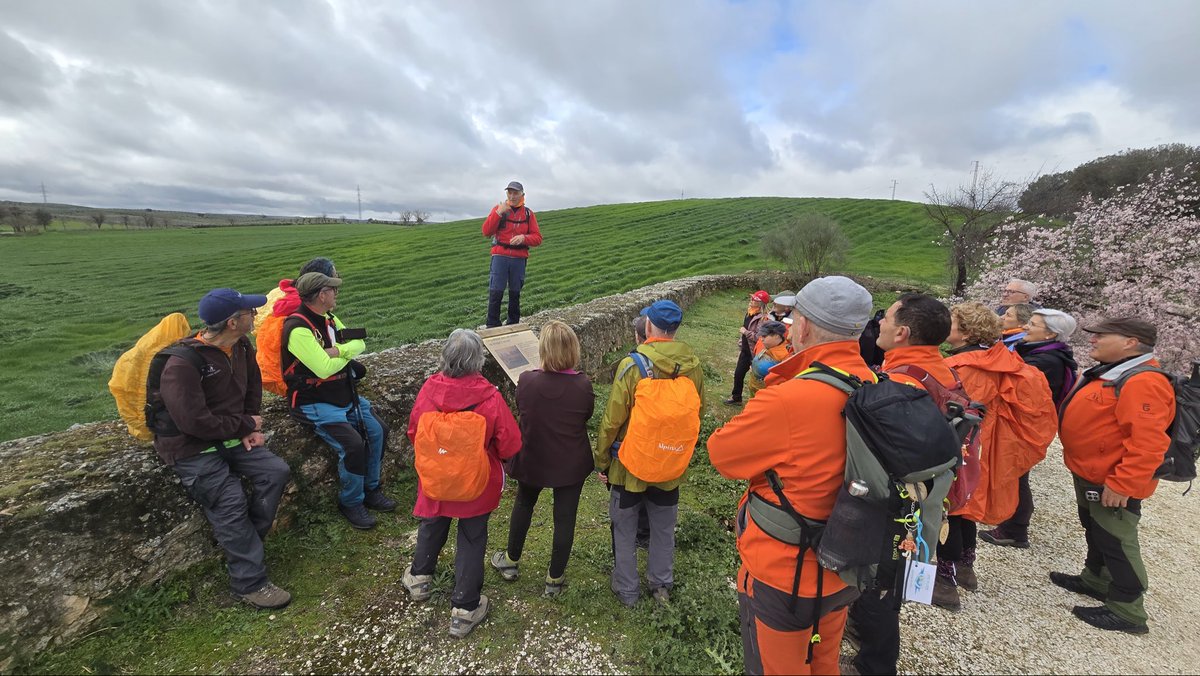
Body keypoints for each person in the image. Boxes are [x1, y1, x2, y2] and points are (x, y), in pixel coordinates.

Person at [707, 276, 875, 676]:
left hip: (787, 574)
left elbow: (722, 454)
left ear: (803, 326)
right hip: (847, 567)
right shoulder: (874, 384)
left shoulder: (789, 398)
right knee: (823, 661)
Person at [156, 288, 292, 609]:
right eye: (250, 313)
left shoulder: (240, 346)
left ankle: (246, 543)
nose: (255, 316)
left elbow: (252, 385)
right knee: (229, 501)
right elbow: (194, 423)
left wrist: (249, 425)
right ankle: (250, 583)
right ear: (233, 322)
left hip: (230, 435)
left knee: (275, 472)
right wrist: (242, 425)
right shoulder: (182, 364)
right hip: (192, 447)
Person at [845, 292, 958, 674]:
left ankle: (875, 664)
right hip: (928, 498)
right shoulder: (940, 370)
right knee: (889, 580)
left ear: (903, 333)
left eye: (887, 318)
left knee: (878, 584)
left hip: (894, 505)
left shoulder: (900, 384)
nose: (879, 322)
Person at [1051, 317, 1175, 635]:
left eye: (1102, 336)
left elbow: (1148, 443)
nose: (1093, 340)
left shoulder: (1143, 381)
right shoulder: (1114, 372)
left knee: (1117, 541)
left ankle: (1128, 610)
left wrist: (1123, 484)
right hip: (1093, 473)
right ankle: (1096, 580)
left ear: (1130, 343)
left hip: (1112, 480)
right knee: (1096, 530)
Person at [402, 329, 522, 638]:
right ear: (478, 361)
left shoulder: (429, 390)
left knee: (432, 523)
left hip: (437, 476)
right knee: (471, 536)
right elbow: (510, 443)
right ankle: (465, 609)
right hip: (475, 482)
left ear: (445, 357)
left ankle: (420, 577)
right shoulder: (490, 397)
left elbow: (414, 432)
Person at [939, 303, 1058, 608]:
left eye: (952, 321)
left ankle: (944, 582)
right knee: (965, 509)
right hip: (982, 448)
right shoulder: (997, 359)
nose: (945, 325)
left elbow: (954, 411)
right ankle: (966, 568)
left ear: (967, 332)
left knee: (949, 509)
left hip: (963, 447)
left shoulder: (969, 367)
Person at [595, 299, 704, 607]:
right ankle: (661, 586)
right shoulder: (693, 367)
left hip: (629, 466)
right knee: (663, 529)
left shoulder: (632, 366)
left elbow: (612, 421)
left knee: (624, 527)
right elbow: (697, 414)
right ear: (675, 329)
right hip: (669, 464)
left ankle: (627, 589)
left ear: (649, 326)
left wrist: (602, 461)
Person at [282, 272, 395, 530]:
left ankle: (371, 489)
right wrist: (344, 354)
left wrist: (338, 352)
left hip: (342, 393)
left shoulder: (329, 319)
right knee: (353, 445)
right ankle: (351, 502)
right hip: (313, 401)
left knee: (378, 430)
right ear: (322, 295)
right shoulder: (297, 329)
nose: (336, 294)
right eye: (333, 290)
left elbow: (360, 343)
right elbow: (323, 369)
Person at [490, 321, 595, 596]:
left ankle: (511, 560)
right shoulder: (582, 385)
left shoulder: (527, 381)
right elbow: (586, 415)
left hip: (534, 456)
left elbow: (523, 408)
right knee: (565, 517)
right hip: (570, 461)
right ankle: (554, 578)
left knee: (524, 503)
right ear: (573, 349)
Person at [982, 308, 1079, 550]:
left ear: (1050, 334)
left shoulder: (1045, 361)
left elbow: (1012, 383)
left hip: (1024, 427)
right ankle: (1011, 524)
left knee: (1015, 474)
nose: (1026, 327)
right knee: (1015, 473)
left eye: (1033, 325)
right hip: (1023, 424)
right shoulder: (1044, 353)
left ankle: (1015, 529)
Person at [481, 180, 542, 327]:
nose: (512, 196)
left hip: (518, 258)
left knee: (515, 293)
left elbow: (538, 238)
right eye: (510, 193)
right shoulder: (498, 210)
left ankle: (513, 325)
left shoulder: (528, 214)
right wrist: (498, 213)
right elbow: (486, 232)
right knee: (496, 292)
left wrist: (524, 238)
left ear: (522, 195)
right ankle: (492, 325)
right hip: (500, 256)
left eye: (515, 193)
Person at [726, 290, 772, 405]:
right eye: (752, 298)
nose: (751, 301)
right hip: (746, 351)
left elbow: (759, 337)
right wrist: (741, 345)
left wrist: (745, 332)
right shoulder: (749, 313)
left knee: (758, 379)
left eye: (754, 300)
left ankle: (760, 402)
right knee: (738, 374)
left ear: (761, 303)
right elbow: (744, 333)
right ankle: (736, 398)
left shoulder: (764, 319)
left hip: (756, 353)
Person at [745, 321, 790, 398]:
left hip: (766, 395)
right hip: (754, 388)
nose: (761, 339)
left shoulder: (784, 356)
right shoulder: (767, 346)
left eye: (764, 336)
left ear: (776, 336)